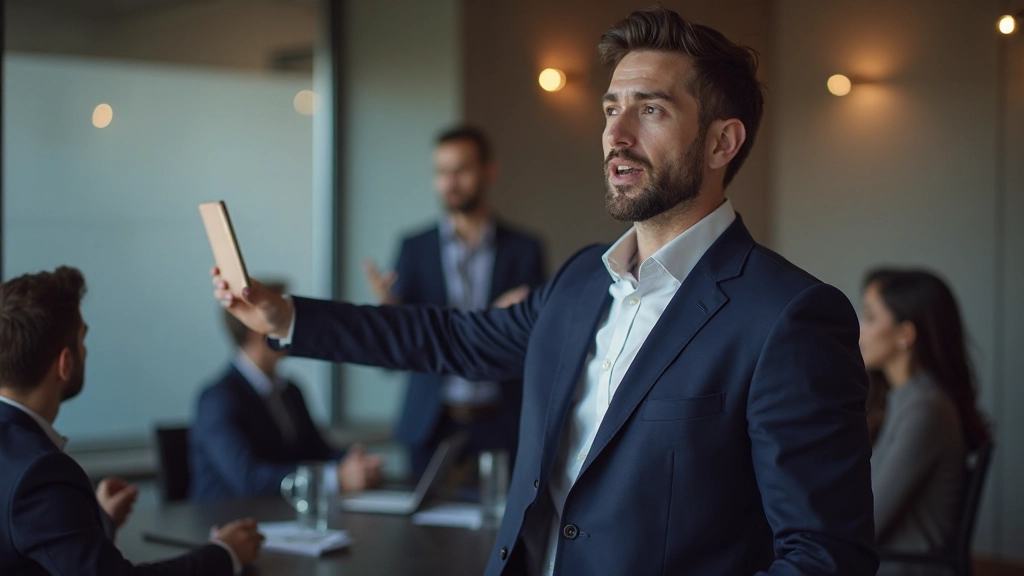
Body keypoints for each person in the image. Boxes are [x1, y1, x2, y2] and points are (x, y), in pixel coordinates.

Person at [212, 7, 877, 575]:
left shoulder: (789, 317)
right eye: (611, 109)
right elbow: (450, 338)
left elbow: (824, 556)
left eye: (650, 110)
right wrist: (288, 316)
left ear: (721, 142)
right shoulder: (582, 279)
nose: (615, 135)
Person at [0, 266, 263, 576]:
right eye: (83, 340)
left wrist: (97, 521)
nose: (86, 351)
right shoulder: (40, 472)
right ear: (65, 363)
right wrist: (225, 553)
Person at [362, 125, 546, 478]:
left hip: (503, 422)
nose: (450, 182)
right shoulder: (414, 248)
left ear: (488, 172)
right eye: (441, 172)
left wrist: (512, 319)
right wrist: (390, 314)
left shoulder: (524, 250)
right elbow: (394, 357)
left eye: (461, 170)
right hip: (431, 423)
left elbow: (540, 342)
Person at [189, 281, 382, 501]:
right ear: (256, 328)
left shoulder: (290, 390)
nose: (292, 328)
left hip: (286, 519)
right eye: (283, 318)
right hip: (228, 524)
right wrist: (335, 478)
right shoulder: (218, 399)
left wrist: (353, 463)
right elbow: (248, 479)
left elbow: (316, 451)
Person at [860, 268, 991, 573]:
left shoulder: (925, 409)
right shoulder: (904, 399)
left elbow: (868, 521)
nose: (859, 329)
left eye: (869, 317)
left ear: (905, 334)